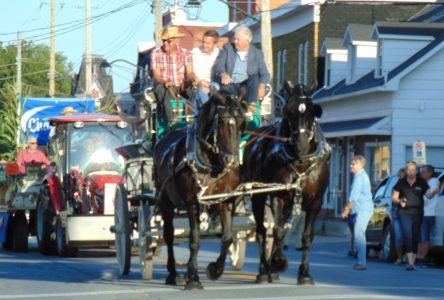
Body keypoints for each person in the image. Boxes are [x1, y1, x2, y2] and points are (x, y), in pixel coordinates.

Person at [214, 25, 270, 115]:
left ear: (247, 42)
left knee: (254, 76)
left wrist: (262, 86)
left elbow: (265, 74)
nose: (234, 41)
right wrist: (223, 74)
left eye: (238, 39)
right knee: (225, 91)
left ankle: (251, 105)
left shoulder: (257, 53)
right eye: (234, 39)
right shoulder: (228, 48)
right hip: (229, 83)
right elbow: (219, 65)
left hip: (245, 86)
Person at [392, 161, 434, 271]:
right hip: (404, 212)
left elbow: (429, 195)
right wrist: (400, 200)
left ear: (416, 171)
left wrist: (434, 192)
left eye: (413, 170)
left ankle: (412, 261)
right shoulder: (401, 182)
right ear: (406, 171)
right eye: (408, 170)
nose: (410, 172)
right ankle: (410, 263)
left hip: (418, 212)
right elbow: (394, 197)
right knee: (408, 235)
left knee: (415, 236)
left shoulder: (422, 182)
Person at [150, 26, 196, 125]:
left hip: (181, 86)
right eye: (164, 41)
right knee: (160, 90)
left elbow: (190, 72)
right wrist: (165, 82)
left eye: (168, 41)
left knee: (194, 90)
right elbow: (157, 75)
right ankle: (171, 120)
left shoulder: (186, 53)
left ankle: (191, 119)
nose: (165, 43)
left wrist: (192, 79)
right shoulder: (156, 53)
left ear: (176, 41)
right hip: (165, 86)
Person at [341, 155, 374, 270]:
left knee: (359, 234)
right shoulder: (360, 176)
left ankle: (362, 262)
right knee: (358, 234)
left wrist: (346, 210)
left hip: (363, 209)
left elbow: (353, 196)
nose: (351, 166)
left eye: (353, 164)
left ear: (360, 165)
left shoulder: (360, 177)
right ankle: (360, 259)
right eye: (351, 163)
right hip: (361, 209)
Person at [417, 165, 440, 265]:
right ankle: (418, 257)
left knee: (424, 237)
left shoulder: (434, 182)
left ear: (430, 173)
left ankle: (422, 258)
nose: (421, 175)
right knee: (420, 238)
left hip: (429, 213)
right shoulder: (425, 183)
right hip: (423, 212)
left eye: (423, 172)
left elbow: (428, 197)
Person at [191, 29, 220, 105]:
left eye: (208, 43)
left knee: (216, 87)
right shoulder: (195, 52)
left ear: (215, 44)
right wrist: (200, 82)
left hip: (213, 83)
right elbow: (191, 72)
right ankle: (207, 112)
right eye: (203, 42)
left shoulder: (220, 54)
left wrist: (209, 87)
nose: (204, 45)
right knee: (200, 90)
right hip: (198, 82)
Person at [392, 168, 406, 265]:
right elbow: (394, 201)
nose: (400, 178)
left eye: (402, 177)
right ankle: (400, 258)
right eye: (399, 177)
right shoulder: (395, 188)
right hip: (397, 215)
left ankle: (409, 257)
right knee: (398, 237)